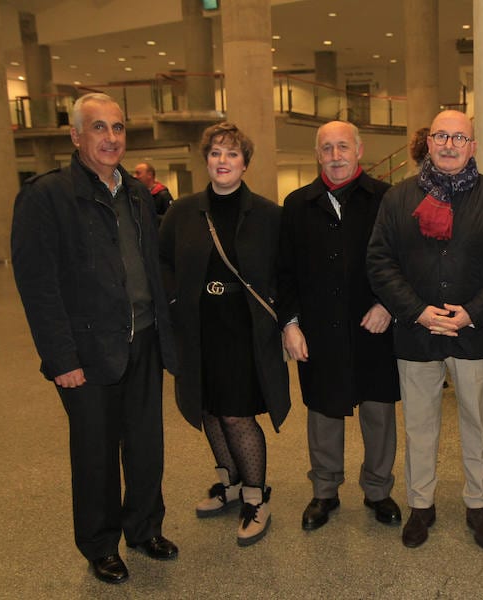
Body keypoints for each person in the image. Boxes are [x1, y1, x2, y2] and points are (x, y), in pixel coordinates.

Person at [11, 92, 180, 584]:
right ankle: (100, 544)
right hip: (86, 352)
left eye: (118, 128)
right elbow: (38, 287)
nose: (111, 138)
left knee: (147, 445)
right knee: (96, 453)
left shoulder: (135, 194)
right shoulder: (46, 197)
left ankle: (145, 527)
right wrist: (61, 357)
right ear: (75, 136)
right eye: (99, 128)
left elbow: (150, 269)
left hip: (143, 339)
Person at [367, 110, 483, 550]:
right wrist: (416, 311)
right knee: (419, 426)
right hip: (415, 333)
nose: (450, 144)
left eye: (459, 137)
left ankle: (478, 505)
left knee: (478, 423)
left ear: (473, 146)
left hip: (472, 333)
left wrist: (471, 312)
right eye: (441, 136)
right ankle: (421, 505)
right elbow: (380, 261)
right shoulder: (398, 198)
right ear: (428, 142)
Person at [158, 122, 290, 547]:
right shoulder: (183, 211)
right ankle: (229, 483)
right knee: (209, 408)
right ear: (206, 161)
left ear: (245, 163)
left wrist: (289, 322)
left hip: (245, 329)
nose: (223, 161)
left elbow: (285, 274)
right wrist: (176, 303)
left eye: (232, 154)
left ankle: (256, 496)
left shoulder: (268, 214)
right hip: (199, 328)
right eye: (216, 153)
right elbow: (162, 263)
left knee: (237, 413)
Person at [279, 120, 402, 531]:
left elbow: (405, 261)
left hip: (375, 325)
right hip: (319, 328)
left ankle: (379, 489)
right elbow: (285, 272)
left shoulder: (387, 199)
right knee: (323, 410)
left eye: (343, 147)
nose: (335, 156)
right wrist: (289, 325)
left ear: (359, 149)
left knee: (379, 410)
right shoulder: (297, 205)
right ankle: (325, 490)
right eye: (327, 148)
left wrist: (388, 303)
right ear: (318, 155)